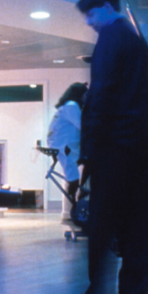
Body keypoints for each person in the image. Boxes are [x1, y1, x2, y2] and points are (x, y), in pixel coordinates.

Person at [64, 0, 148, 294]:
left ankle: (95, 293)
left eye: (90, 14)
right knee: (137, 223)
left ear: (106, 7)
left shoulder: (109, 39)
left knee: (101, 221)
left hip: (113, 146)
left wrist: (89, 150)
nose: (88, 22)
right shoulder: (138, 42)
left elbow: (100, 96)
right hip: (140, 145)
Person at [46, 82, 88, 221]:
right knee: (74, 175)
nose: (86, 97)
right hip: (64, 146)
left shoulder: (67, 106)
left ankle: (78, 200)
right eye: (85, 94)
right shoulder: (72, 105)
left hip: (62, 144)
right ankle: (76, 205)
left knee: (81, 168)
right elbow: (83, 126)